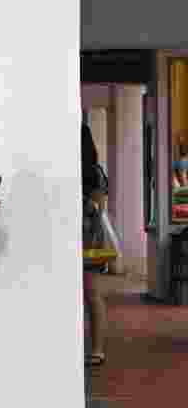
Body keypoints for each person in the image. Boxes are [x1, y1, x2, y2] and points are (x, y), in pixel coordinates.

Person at [83, 124, 110, 367]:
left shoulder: (94, 173)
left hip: (88, 238)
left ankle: (97, 349)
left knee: (91, 293)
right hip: (77, 237)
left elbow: (97, 208)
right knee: (91, 294)